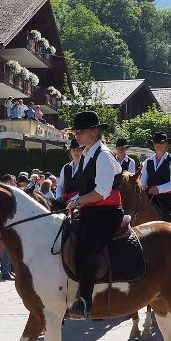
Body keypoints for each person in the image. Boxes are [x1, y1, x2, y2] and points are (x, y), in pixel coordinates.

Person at [66, 111, 124, 319]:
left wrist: (77, 201)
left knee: (88, 247)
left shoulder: (104, 156)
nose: (77, 136)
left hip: (106, 213)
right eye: (75, 132)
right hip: (90, 211)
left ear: (94, 131)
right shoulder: (87, 154)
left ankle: (84, 300)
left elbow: (101, 192)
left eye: (80, 132)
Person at [139, 132, 171, 227]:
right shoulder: (148, 161)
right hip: (148, 195)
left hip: (167, 197)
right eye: (156, 143)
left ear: (166, 144)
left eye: (161, 143)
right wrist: (142, 188)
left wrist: (158, 189)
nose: (158, 145)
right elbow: (143, 181)